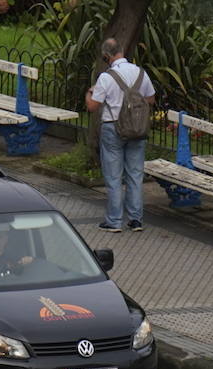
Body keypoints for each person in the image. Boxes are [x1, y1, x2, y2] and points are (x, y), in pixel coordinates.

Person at [84, 37, 156, 233]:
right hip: (137, 129)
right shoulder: (141, 73)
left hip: (113, 128)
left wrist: (89, 92)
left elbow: (92, 106)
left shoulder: (106, 77)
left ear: (106, 56)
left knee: (114, 177)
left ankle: (114, 221)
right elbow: (150, 99)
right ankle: (135, 220)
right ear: (122, 51)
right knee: (135, 175)